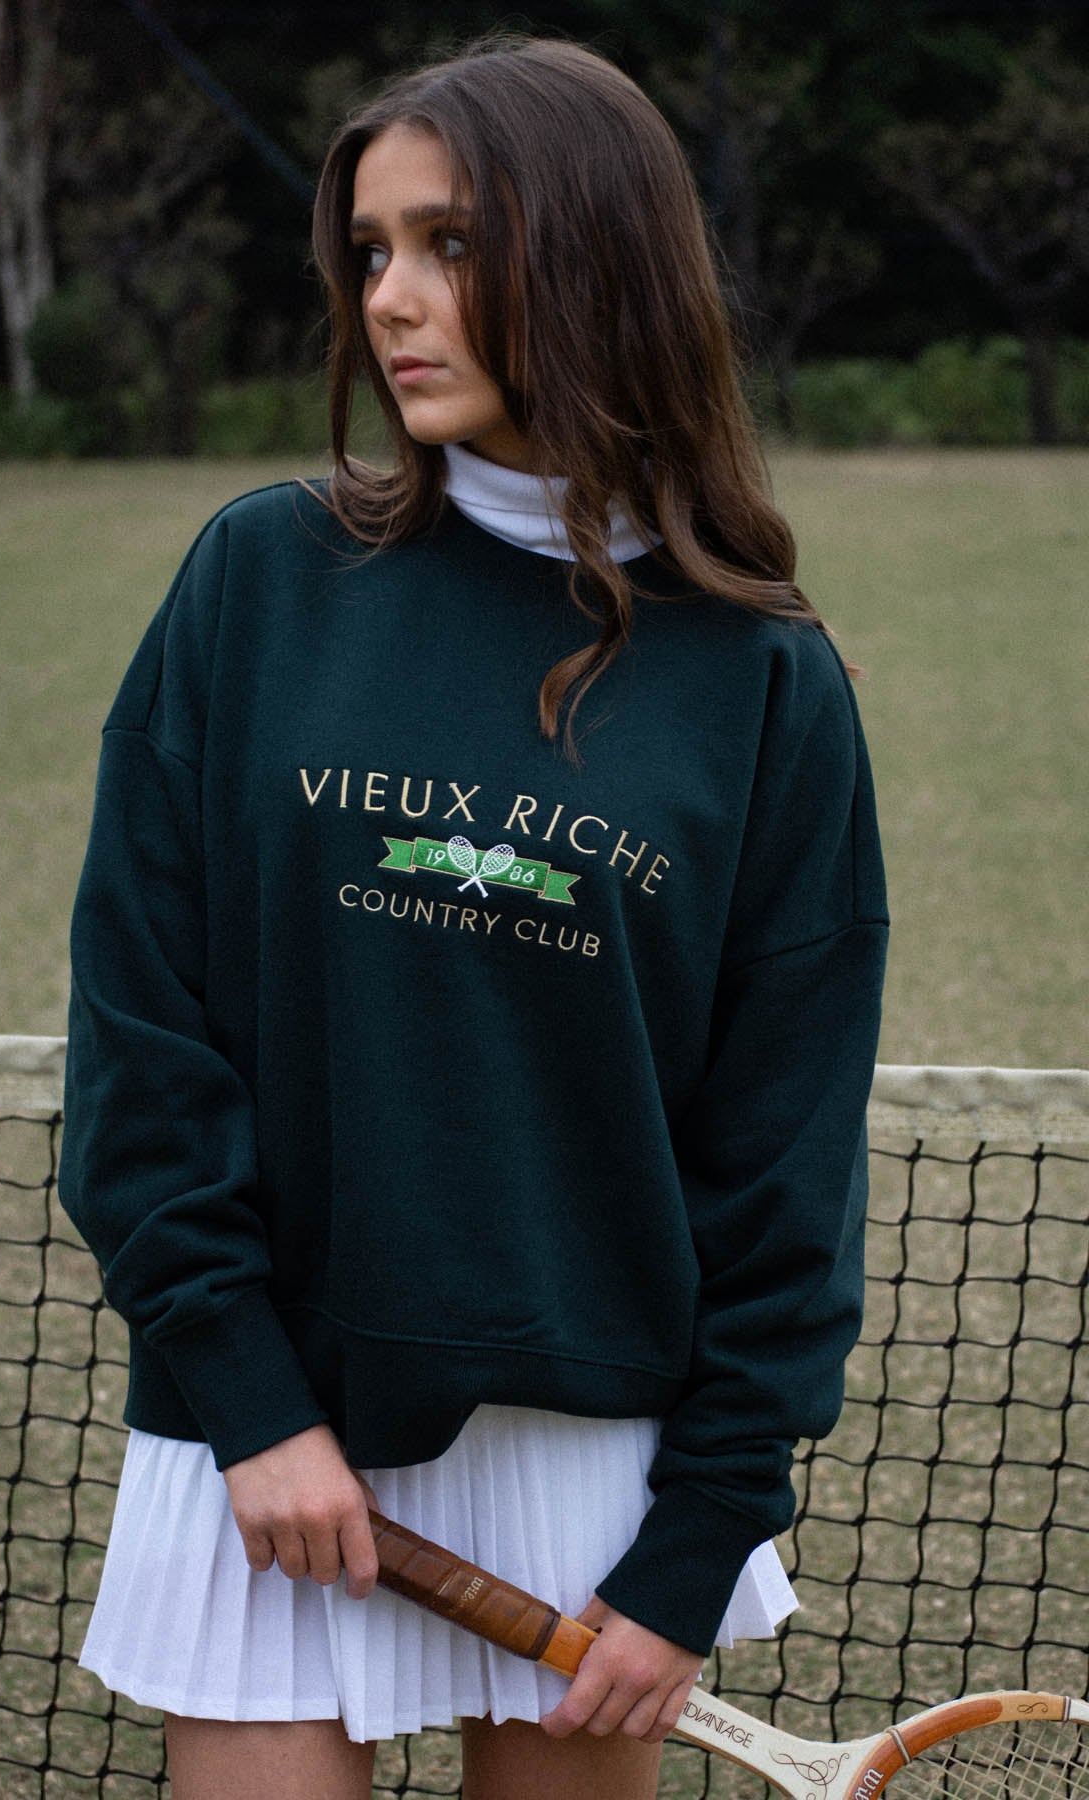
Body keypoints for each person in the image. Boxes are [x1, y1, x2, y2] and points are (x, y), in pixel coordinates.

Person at [58, 34, 888, 1800]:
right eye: (370, 251)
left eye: (449, 243)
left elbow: (783, 1164)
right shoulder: (259, 583)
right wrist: (243, 1394)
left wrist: (696, 1547)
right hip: (270, 1436)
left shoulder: (763, 682)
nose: (393, 301)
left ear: (594, 257)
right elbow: (139, 1030)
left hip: (600, 1460)